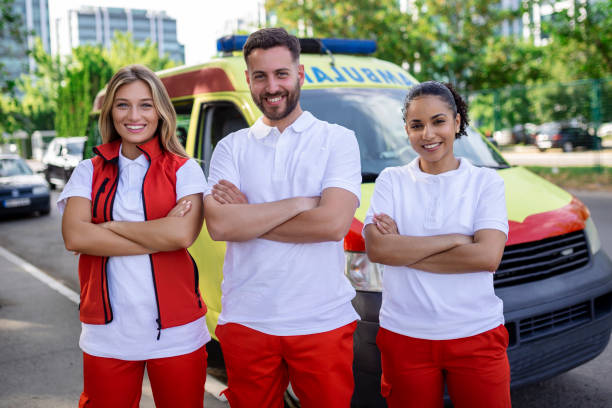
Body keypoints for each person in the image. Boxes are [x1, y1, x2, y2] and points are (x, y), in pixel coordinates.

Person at [203, 27, 362, 407]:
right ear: (248, 80)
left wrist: (249, 217)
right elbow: (221, 225)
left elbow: (332, 224)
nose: (271, 86)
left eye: (281, 74)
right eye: (261, 76)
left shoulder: (337, 140)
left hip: (321, 319)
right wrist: (300, 203)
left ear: (300, 74)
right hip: (247, 319)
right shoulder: (230, 148)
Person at [58, 64, 209, 408]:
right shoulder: (88, 171)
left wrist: (107, 227)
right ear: (111, 111)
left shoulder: (185, 169)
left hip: (177, 333)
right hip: (107, 335)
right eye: (123, 104)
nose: (134, 115)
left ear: (160, 111)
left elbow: (181, 234)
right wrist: (157, 232)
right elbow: (75, 237)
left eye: (145, 104)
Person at [363, 81, 510, 408]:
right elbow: (378, 250)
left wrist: (403, 249)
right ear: (406, 129)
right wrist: (456, 241)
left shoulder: (485, 182)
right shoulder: (391, 180)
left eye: (438, 121)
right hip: (405, 336)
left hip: (475, 333)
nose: (428, 134)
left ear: (457, 123)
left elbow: (487, 256)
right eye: (417, 125)